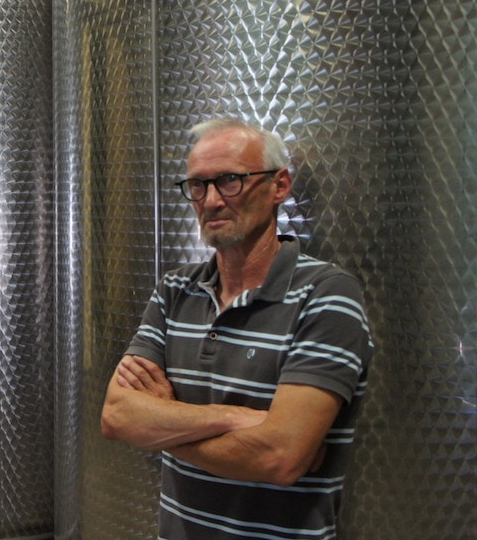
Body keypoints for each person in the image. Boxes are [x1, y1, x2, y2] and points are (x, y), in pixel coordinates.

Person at [100, 118, 374, 540]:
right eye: (197, 185)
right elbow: (118, 416)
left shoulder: (327, 295)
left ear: (279, 186)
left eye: (229, 181)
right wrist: (238, 418)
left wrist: (161, 427)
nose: (210, 201)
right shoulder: (174, 291)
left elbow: (282, 457)